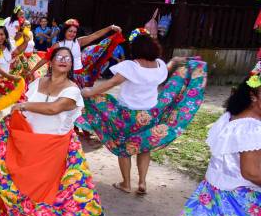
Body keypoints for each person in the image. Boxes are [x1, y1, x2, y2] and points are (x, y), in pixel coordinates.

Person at [144, 73, 261, 216]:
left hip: (214, 190)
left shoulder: (231, 117)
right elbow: (251, 172)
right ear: (253, 95)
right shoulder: (252, 128)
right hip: (239, 198)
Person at [0, 47, 104, 216]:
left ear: (71, 65)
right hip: (27, 141)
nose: (63, 60)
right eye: (59, 56)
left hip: (53, 146)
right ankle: (12, 209)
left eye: (67, 58)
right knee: (16, 176)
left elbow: (53, 108)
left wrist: (24, 106)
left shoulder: (73, 91)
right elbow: (23, 102)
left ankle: (36, 214)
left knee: (40, 186)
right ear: (50, 62)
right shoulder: (37, 82)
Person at [81, 29, 207, 195]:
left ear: (135, 49)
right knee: (143, 147)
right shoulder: (160, 66)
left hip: (127, 115)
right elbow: (168, 67)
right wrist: (176, 61)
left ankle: (126, 184)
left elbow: (111, 83)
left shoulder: (130, 67)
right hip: (150, 115)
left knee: (123, 147)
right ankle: (142, 183)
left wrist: (89, 92)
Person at [30, 18, 123, 87]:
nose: (72, 34)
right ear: (65, 31)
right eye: (70, 31)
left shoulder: (79, 42)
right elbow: (45, 59)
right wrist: (32, 71)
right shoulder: (58, 45)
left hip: (78, 75)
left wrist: (111, 27)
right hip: (62, 76)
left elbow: (95, 35)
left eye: (74, 32)